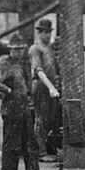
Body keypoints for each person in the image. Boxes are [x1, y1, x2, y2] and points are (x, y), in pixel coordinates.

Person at [0, 33, 52, 170]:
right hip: (11, 110)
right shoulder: (5, 64)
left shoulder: (21, 64)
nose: (19, 52)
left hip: (24, 108)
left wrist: (28, 99)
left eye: (21, 49)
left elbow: (25, 84)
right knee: (12, 143)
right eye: (16, 50)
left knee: (31, 142)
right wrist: (7, 90)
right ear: (10, 50)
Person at [29, 19, 61, 162]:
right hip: (42, 87)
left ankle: (49, 147)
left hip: (51, 88)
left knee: (51, 119)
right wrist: (51, 87)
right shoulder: (35, 49)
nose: (48, 35)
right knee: (41, 119)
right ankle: (40, 153)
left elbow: (55, 68)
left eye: (49, 32)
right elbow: (39, 72)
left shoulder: (49, 49)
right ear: (39, 33)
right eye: (45, 32)